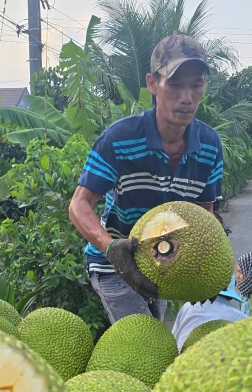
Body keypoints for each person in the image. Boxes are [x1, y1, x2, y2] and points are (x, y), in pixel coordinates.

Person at [68, 34, 224, 324]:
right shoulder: (119, 139)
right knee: (145, 338)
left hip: (161, 263)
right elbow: (78, 205)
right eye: (175, 85)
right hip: (112, 263)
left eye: (196, 85)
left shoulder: (210, 145)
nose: (187, 98)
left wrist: (205, 267)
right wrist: (111, 248)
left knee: (155, 340)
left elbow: (205, 215)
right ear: (152, 84)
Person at [170, 275, 248, 352]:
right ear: (231, 295)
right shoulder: (242, 319)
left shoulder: (188, 307)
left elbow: (174, 340)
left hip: (181, 360)